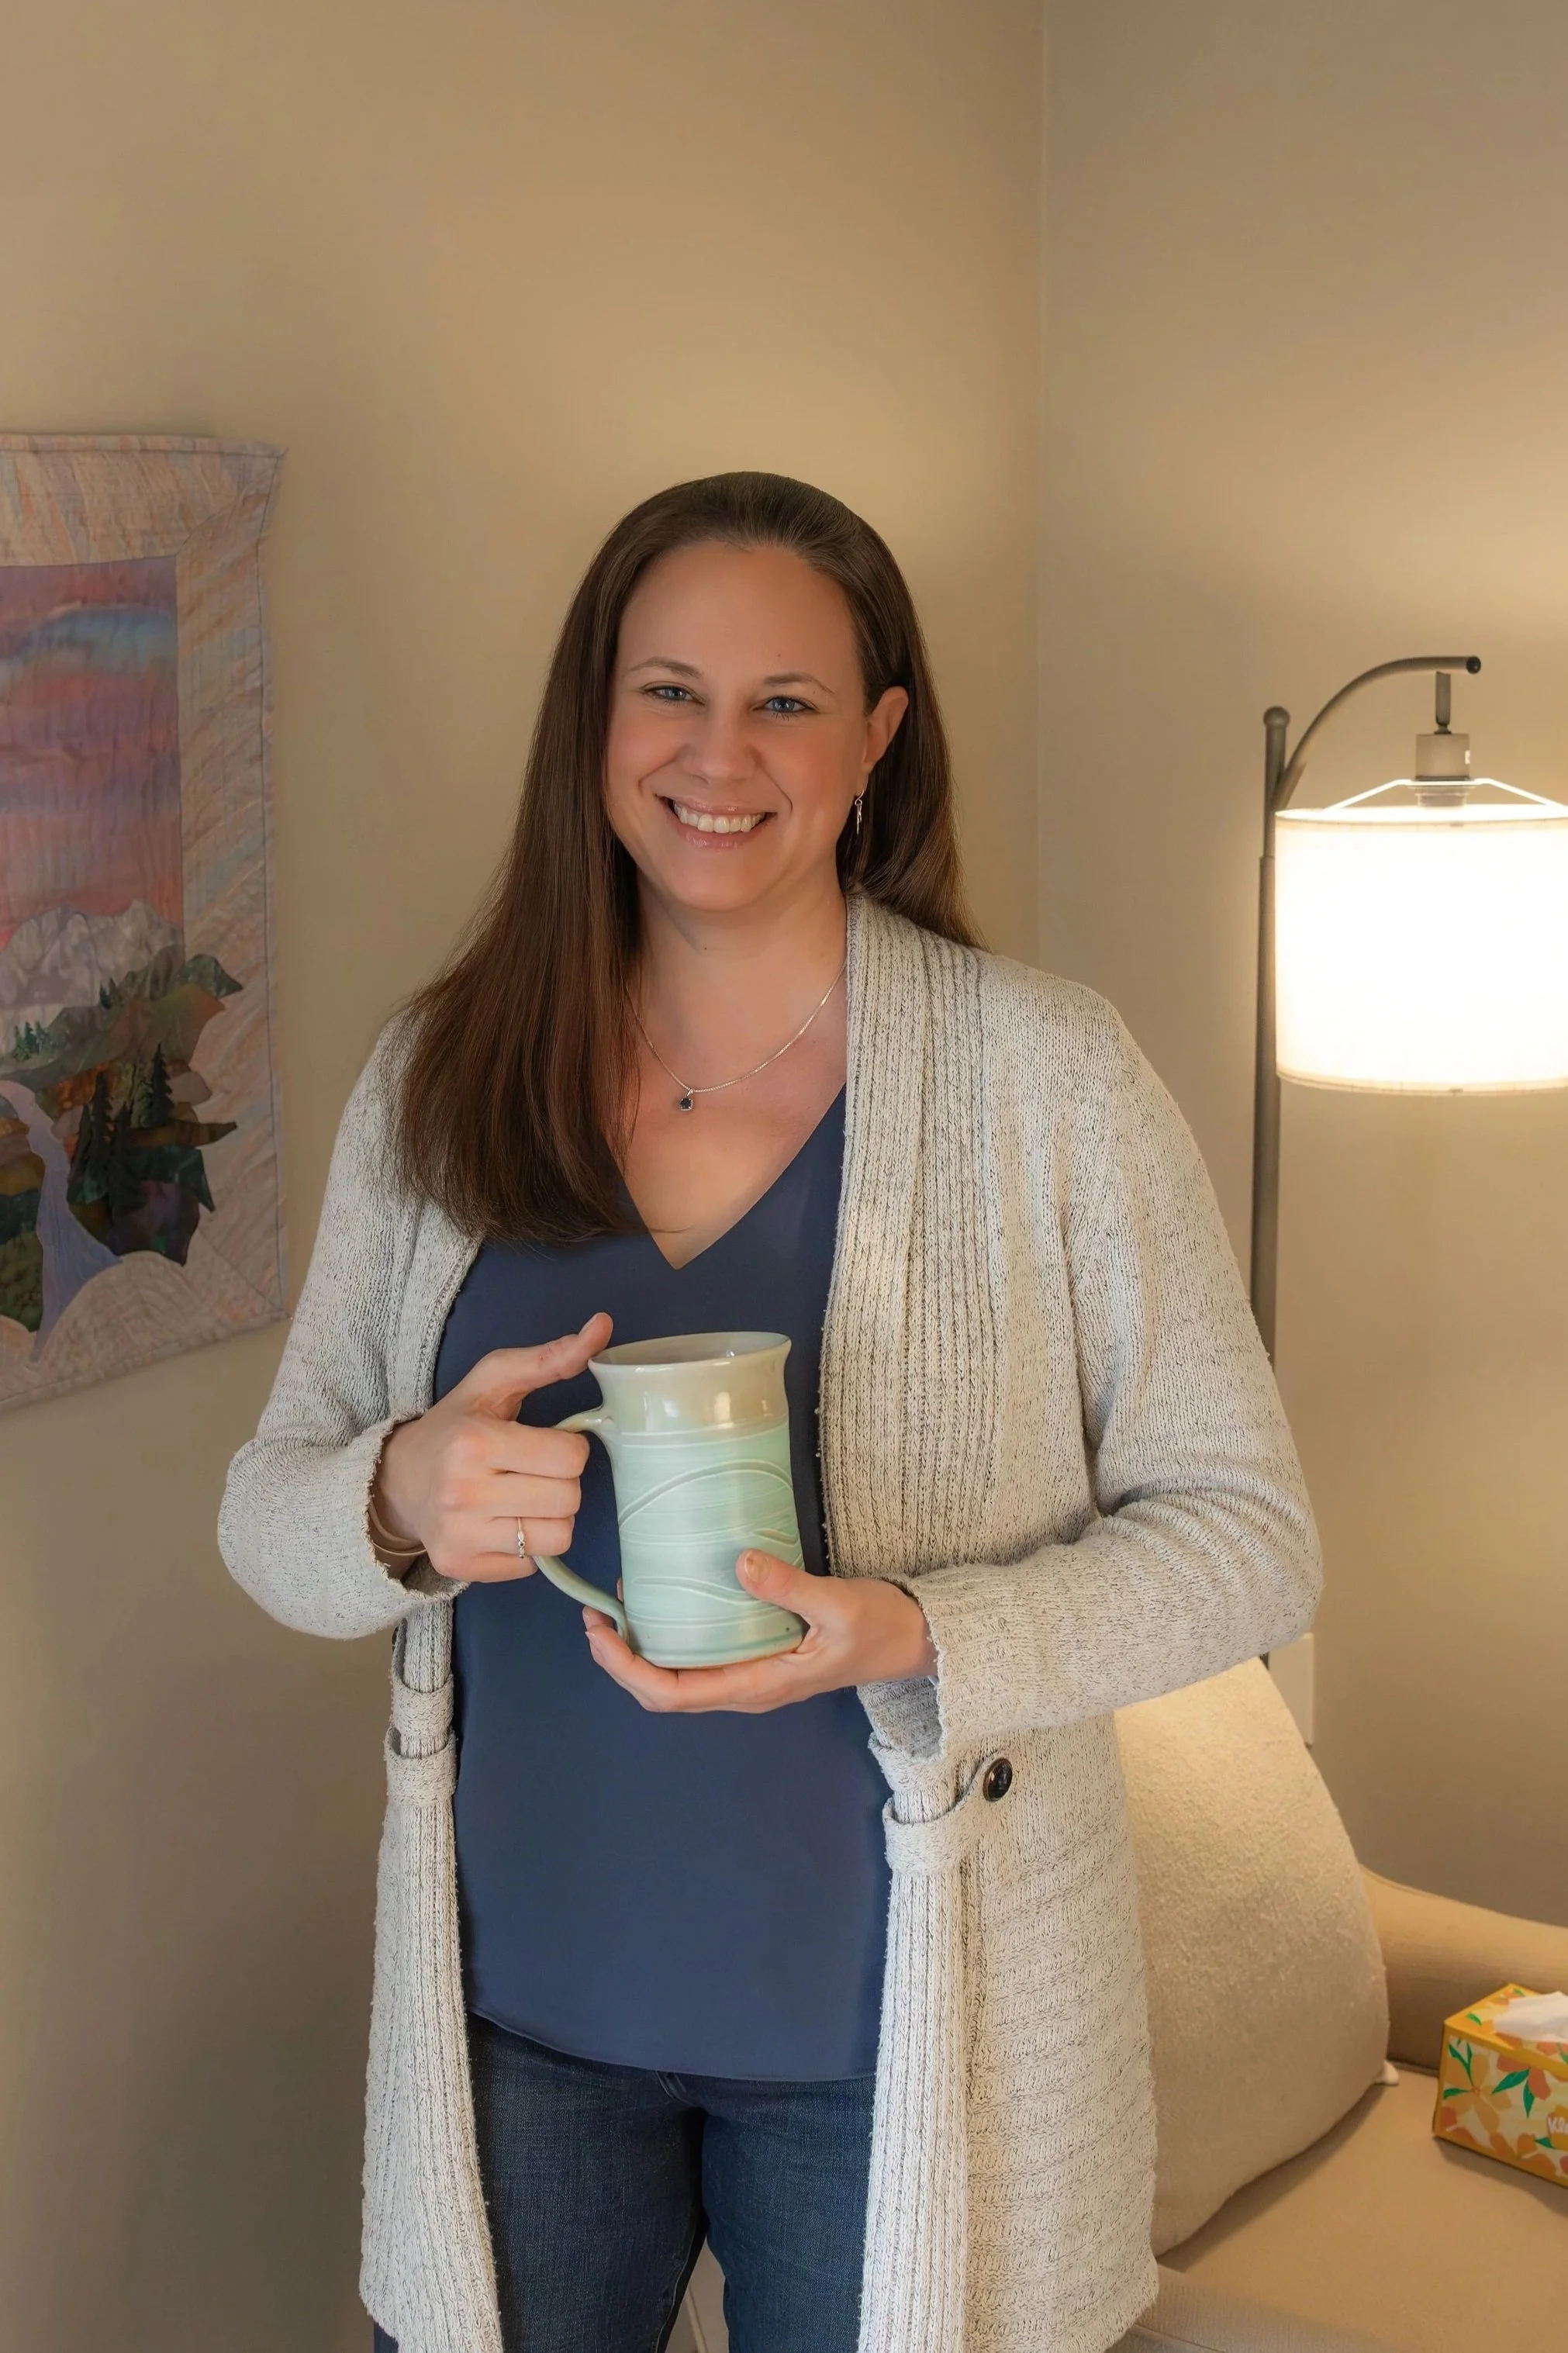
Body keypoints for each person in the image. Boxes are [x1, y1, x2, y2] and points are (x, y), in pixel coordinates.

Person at [219, 471, 1320, 2353]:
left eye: (787, 701)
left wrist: (922, 1631)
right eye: (668, 690)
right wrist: (396, 1492)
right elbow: (272, 1512)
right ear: (595, 719)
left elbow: (1250, 1538)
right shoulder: (444, 1075)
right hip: (521, 2027)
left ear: (878, 735)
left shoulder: (1043, 1077)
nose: (718, 753)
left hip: (905, 2031)